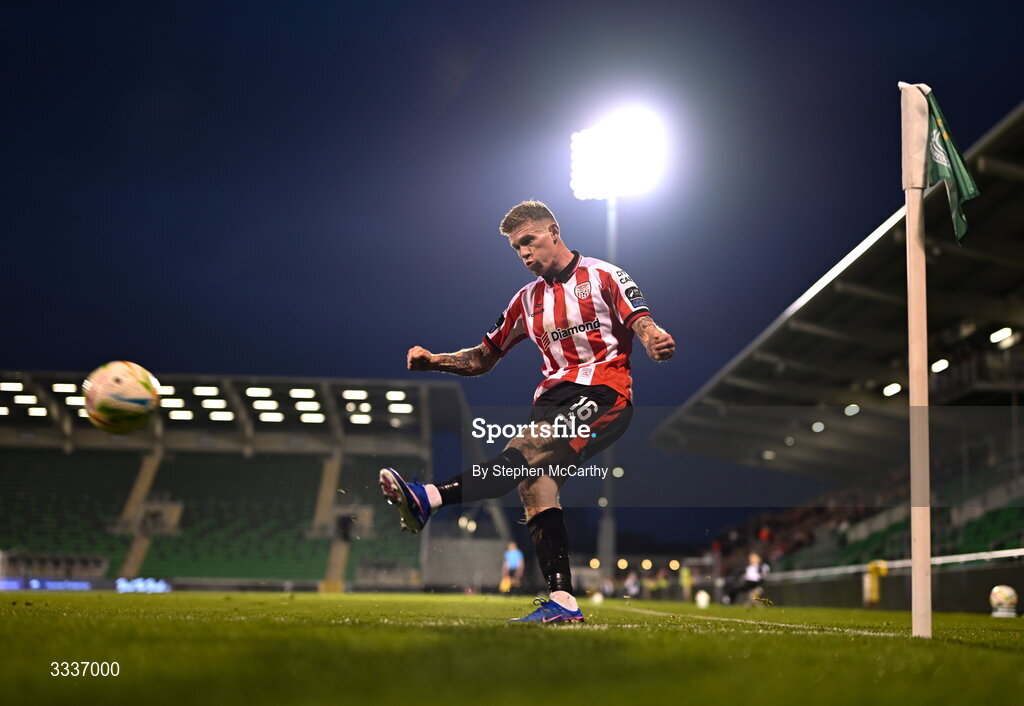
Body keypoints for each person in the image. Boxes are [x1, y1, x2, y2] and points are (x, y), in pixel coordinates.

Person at [379, 200, 675, 623]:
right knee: (534, 485)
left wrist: (653, 338)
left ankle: (430, 496)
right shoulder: (525, 301)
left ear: (553, 231)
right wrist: (435, 361)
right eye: (517, 249)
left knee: (527, 447)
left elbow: (641, 319)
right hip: (551, 400)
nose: (524, 255)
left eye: (529, 242)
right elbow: (483, 356)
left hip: (604, 394)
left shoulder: (604, 275)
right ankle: (564, 603)